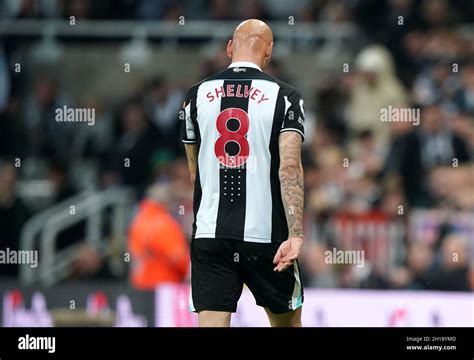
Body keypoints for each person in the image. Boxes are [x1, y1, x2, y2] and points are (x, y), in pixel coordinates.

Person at [181, 19, 305, 327]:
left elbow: (195, 173)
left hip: (210, 233)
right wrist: (296, 233)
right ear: (269, 52)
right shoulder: (287, 96)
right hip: (266, 237)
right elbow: (289, 167)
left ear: (229, 47)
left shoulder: (194, 96)